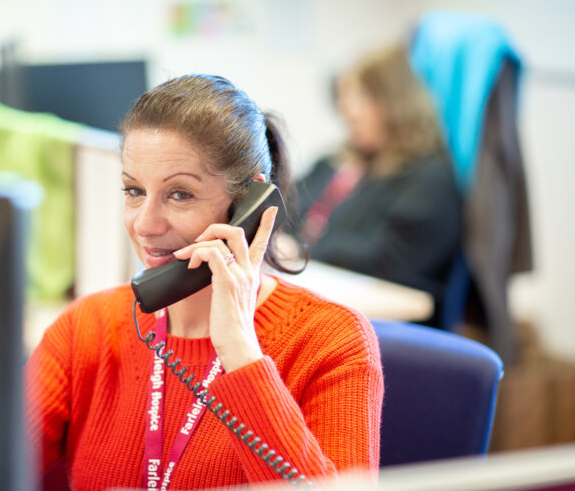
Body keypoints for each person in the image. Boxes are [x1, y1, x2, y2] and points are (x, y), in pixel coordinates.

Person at [25, 74, 383, 489]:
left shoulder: (330, 341)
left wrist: (242, 354)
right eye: (133, 191)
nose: (144, 224)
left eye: (180, 194)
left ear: (248, 207)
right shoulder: (88, 328)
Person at [294, 44, 462, 328]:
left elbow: (386, 260)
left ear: (395, 103)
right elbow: (282, 211)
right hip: (325, 309)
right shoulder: (333, 163)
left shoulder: (429, 181)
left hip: (385, 330)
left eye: (360, 96)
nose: (346, 109)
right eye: (345, 96)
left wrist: (301, 249)